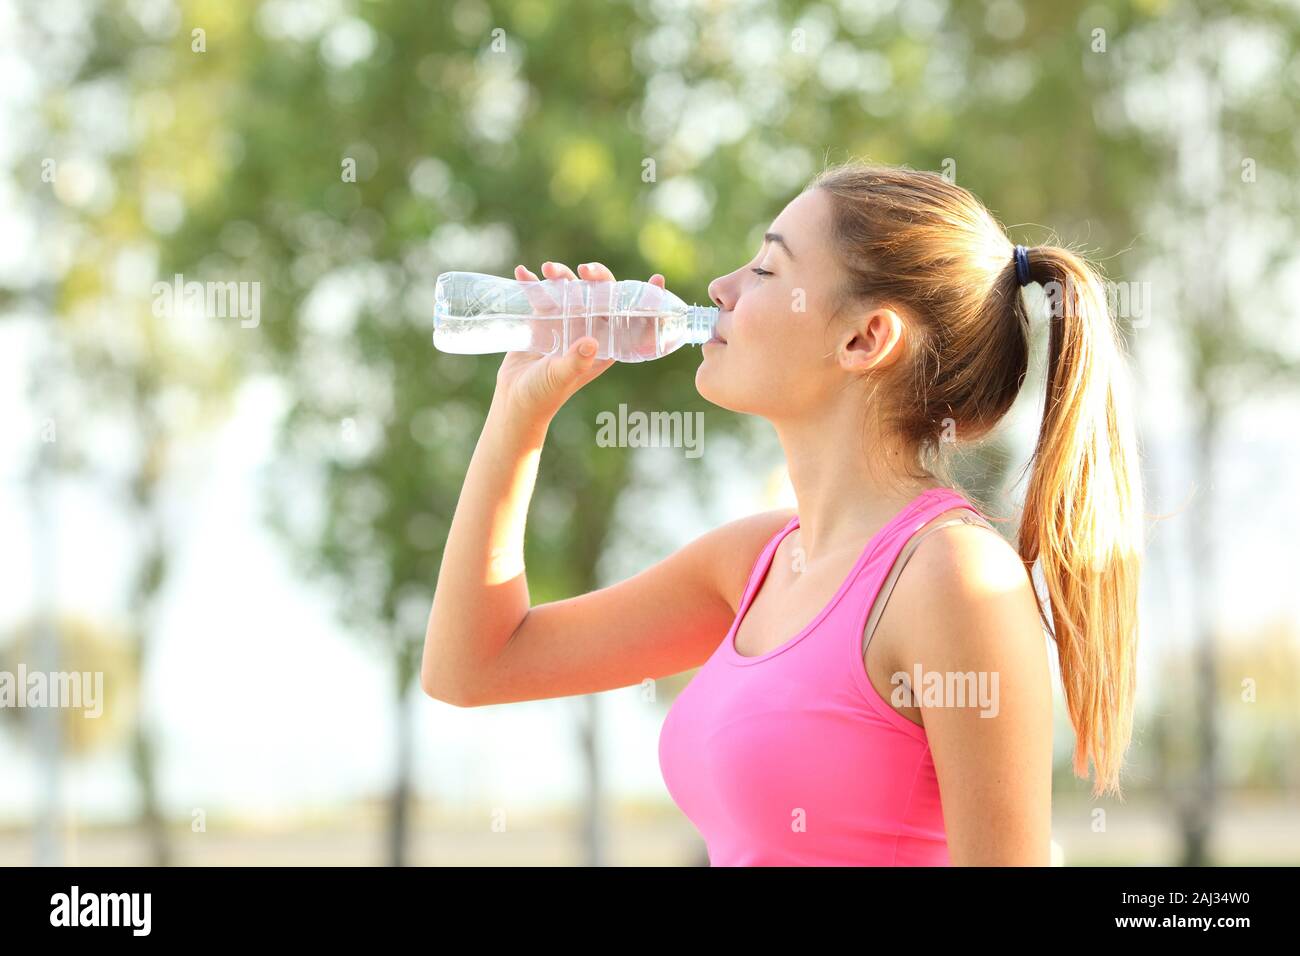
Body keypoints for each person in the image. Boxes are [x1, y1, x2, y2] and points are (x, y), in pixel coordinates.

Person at [422, 160, 1145, 866]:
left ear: (864, 339)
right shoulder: (753, 563)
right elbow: (473, 667)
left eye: (766, 270)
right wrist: (519, 413)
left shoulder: (953, 578)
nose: (721, 288)